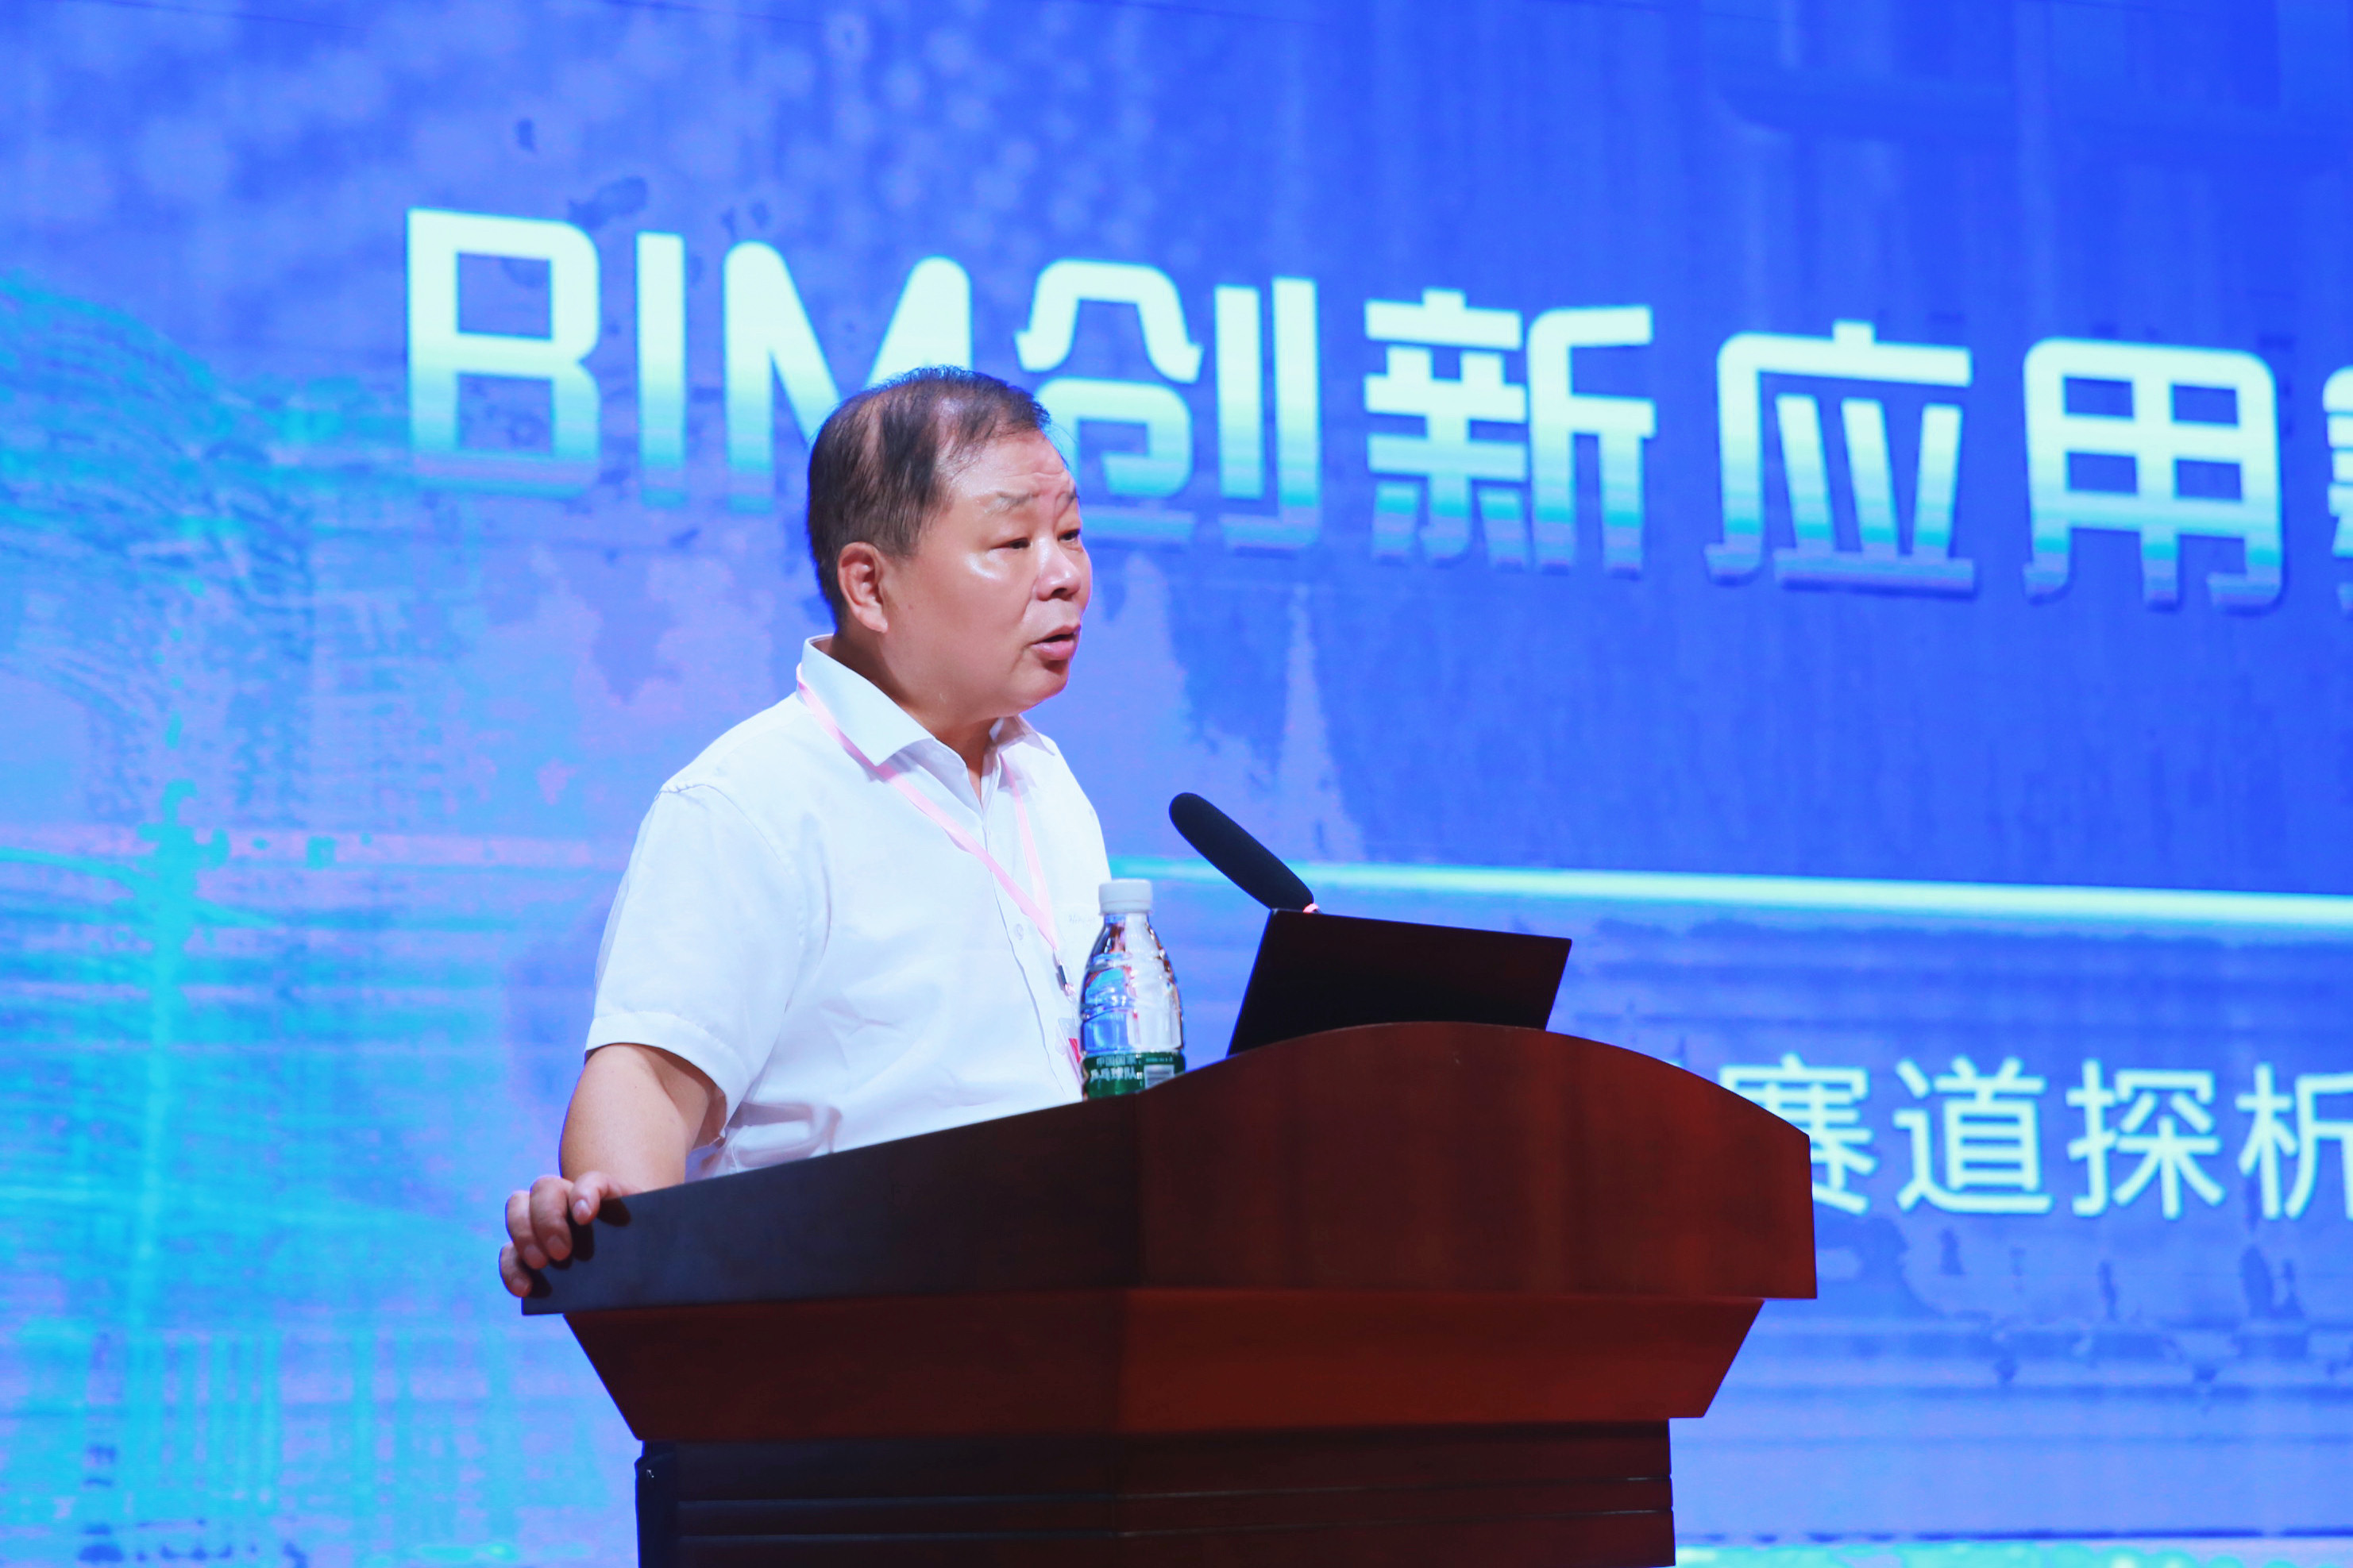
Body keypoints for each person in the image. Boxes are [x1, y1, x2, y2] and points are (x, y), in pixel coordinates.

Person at [499, 368, 1107, 1297]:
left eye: (1068, 533)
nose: (1063, 575)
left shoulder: (1046, 783)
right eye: (1012, 541)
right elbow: (649, 1079)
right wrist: (615, 1227)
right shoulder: (750, 799)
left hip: (1064, 1330)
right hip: (849, 1342)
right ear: (869, 583)